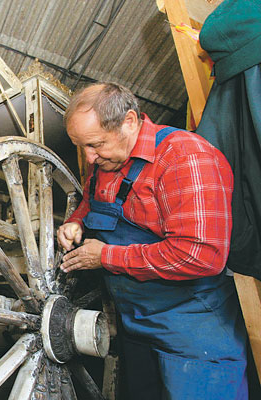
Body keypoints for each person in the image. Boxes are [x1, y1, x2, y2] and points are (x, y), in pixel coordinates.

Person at [57, 82, 248, 399]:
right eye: (82, 147)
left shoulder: (185, 158)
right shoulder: (108, 160)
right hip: (136, 326)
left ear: (129, 122)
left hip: (193, 334)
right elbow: (92, 200)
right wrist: (75, 222)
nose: (89, 158)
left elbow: (200, 256)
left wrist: (106, 257)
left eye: (95, 145)